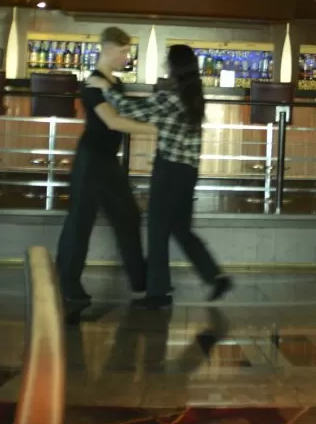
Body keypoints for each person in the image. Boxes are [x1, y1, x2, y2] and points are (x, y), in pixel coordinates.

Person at [90, 44, 231, 310]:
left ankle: (158, 293)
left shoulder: (171, 97)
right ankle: (215, 276)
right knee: (181, 228)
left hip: (169, 170)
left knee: (157, 229)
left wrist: (105, 87)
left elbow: (130, 109)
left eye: (168, 62)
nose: (166, 66)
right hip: (188, 171)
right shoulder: (194, 96)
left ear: (174, 67)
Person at [56, 27, 147, 310]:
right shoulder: (93, 84)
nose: (126, 57)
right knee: (80, 223)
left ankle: (141, 282)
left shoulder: (114, 84)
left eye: (127, 51)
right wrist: (158, 131)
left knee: (129, 217)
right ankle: (68, 286)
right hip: (91, 161)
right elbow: (113, 121)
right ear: (107, 49)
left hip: (108, 161)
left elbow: (124, 113)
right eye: (123, 51)